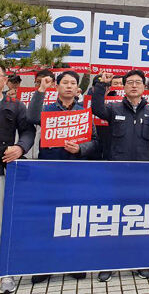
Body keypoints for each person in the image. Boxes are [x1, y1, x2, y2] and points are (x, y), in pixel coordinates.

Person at [26, 71, 100, 284]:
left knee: (74, 219)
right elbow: (31, 117)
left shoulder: (83, 112)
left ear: (78, 88)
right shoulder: (47, 110)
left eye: (73, 83)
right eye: (64, 82)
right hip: (50, 172)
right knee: (48, 219)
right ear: (57, 86)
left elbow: (95, 142)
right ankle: (43, 265)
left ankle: (73, 263)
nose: (68, 86)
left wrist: (80, 148)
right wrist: (41, 89)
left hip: (76, 173)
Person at [91, 70, 149, 282]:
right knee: (114, 219)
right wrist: (100, 86)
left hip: (143, 175)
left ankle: (139, 261)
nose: (134, 85)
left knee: (140, 220)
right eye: (130, 82)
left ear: (144, 87)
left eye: (138, 83)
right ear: (124, 87)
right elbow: (97, 108)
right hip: (117, 173)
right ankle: (109, 263)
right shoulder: (113, 108)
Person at [0, 63, 35, 294]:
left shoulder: (14, 105)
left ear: (4, 79)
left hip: (2, 171)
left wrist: (21, 148)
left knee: (4, 225)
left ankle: (5, 274)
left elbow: (28, 130)